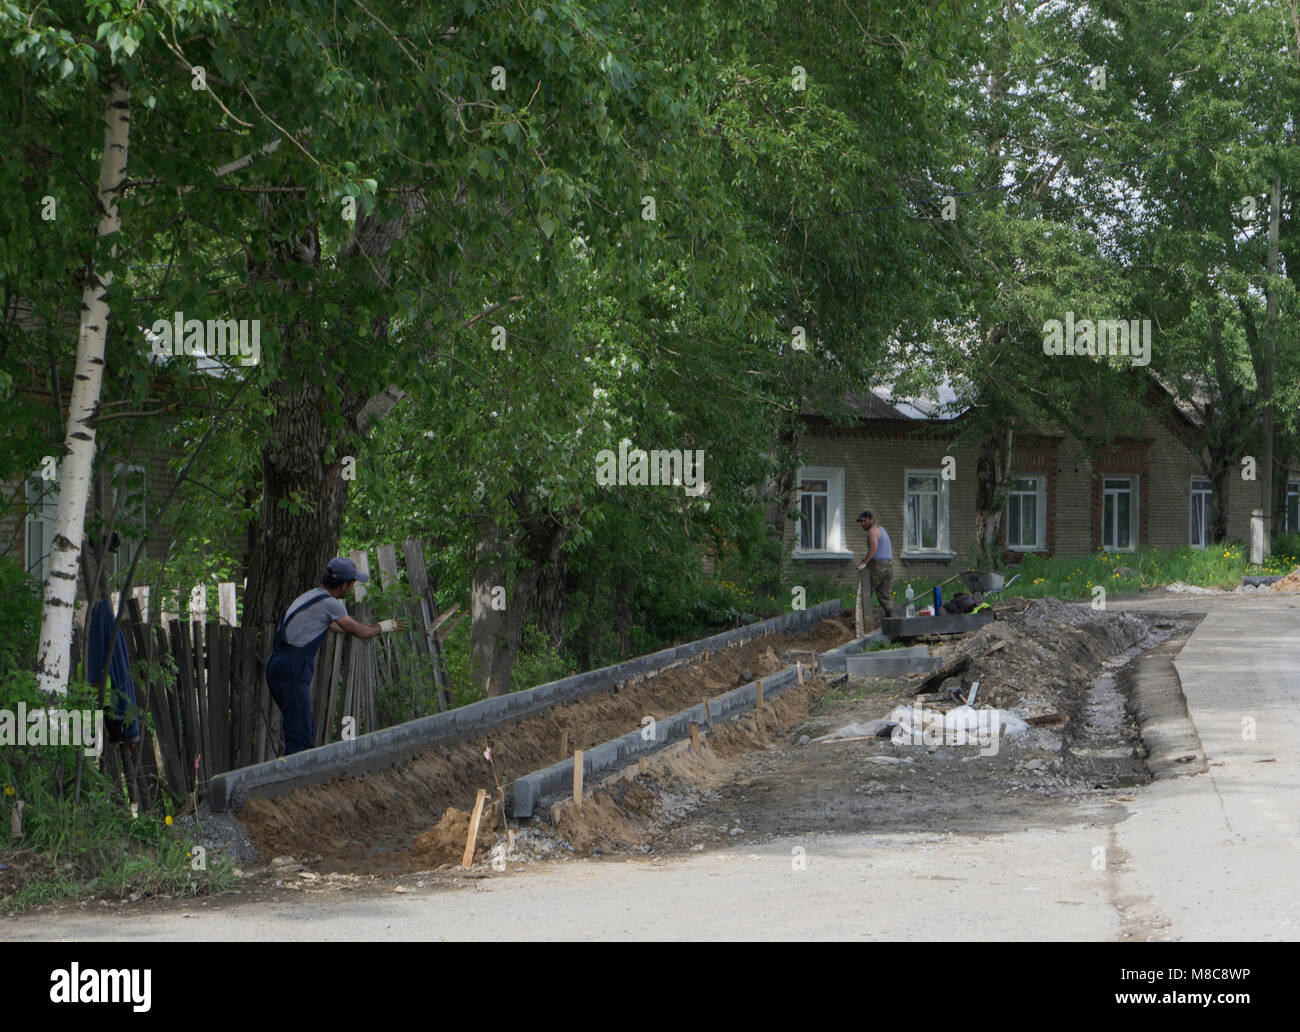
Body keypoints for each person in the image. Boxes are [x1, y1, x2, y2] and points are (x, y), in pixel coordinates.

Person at [265, 556, 399, 755]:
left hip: (278, 665)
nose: (352, 587)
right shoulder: (331, 604)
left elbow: (334, 626)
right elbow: (361, 632)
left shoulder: (310, 596)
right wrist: (383, 626)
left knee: (302, 728)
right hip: (291, 669)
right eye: (352, 583)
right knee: (300, 738)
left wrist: (355, 627)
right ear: (344, 585)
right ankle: (296, 782)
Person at [854, 510, 895, 633]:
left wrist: (864, 563)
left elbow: (874, 548)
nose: (862, 524)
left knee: (866, 592)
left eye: (864, 521)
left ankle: (863, 622)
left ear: (871, 520)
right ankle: (892, 620)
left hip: (879, 566)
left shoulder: (872, 531)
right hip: (889, 565)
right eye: (860, 522)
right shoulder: (882, 530)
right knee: (884, 594)